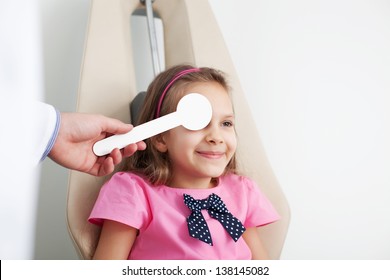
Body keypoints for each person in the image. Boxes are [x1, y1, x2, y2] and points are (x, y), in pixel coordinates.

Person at [89, 65, 280, 260]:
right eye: (198, 123)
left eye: (226, 124)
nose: (216, 137)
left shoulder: (242, 192)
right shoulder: (133, 192)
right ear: (161, 137)